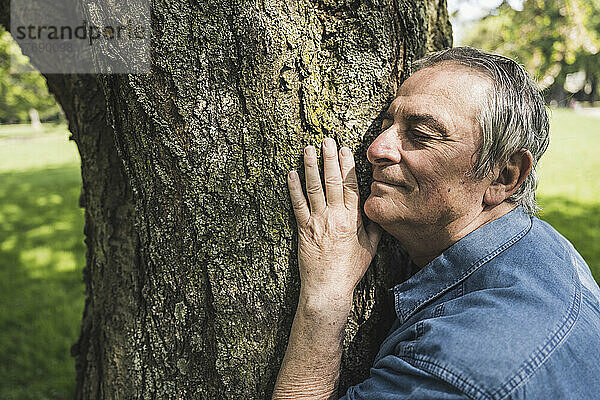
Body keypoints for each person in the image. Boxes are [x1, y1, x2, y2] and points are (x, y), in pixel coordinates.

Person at [272, 47, 600, 399]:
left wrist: (324, 300)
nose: (377, 149)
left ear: (503, 177)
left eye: (422, 135)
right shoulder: (540, 248)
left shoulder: (463, 368)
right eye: (386, 125)